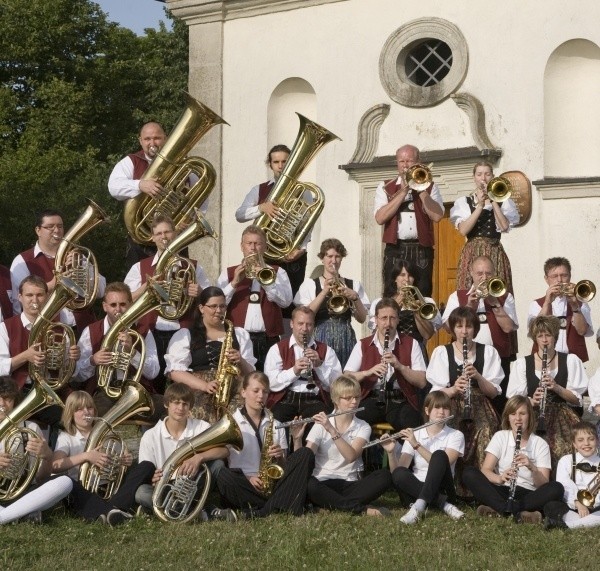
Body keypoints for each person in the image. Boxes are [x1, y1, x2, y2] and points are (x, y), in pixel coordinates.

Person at [124, 214, 210, 394]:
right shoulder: (140, 268)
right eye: (159, 233)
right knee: (151, 385)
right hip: (151, 332)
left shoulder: (193, 266)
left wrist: (200, 293)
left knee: (182, 388)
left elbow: (212, 300)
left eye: (167, 232)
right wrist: (146, 287)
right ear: (153, 238)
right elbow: (124, 299)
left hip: (183, 332)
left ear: (175, 233)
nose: (163, 236)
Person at [108, 121, 209, 266]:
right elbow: (113, 186)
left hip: (175, 239)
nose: (152, 143)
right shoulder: (131, 162)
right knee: (140, 283)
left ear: (165, 139)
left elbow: (202, 195)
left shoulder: (183, 164)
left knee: (178, 283)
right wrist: (140, 184)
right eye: (147, 139)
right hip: (141, 243)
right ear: (140, 141)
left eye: (157, 138)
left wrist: (188, 219)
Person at [217, 372, 315, 518]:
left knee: (305, 453)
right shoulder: (229, 423)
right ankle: (280, 505)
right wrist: (249, 478)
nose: (261, 396)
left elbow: (283, 467)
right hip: (245, 483)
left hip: (272, 483)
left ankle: (261, 511)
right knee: (223, 475)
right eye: (256, 391)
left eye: (265, 392)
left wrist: (285, 451)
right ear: (243, 392)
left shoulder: (276, 424)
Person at [427, 306, 502, 493]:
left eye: (468, 326)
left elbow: (493, 392)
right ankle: (451, 487)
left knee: (486, 429)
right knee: (450, 429)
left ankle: (483, 488)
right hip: (450, 404)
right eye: (459, 326)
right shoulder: (442, 352)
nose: (464, 331)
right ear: (453, 329)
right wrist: (453, 388)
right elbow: (435, 396)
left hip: (480, 403)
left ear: (475, 329)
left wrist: (478, 376)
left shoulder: (489, 352)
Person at [52, 391, 155, 526]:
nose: (86, 412)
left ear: (95, 411)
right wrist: (87, 456)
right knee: (70, 485)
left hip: (107, 487)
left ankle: (111, 509)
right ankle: (116, 510)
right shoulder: (66, 437)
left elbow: (121, 457)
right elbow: (55, 465)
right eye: (79, 409)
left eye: (89, 408)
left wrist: (124, 461)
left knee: (146, 466)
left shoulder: (106, 434)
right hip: (82, 491)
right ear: (70, 413)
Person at [135, 382, 234, 521]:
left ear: (190, 407)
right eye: (176, 403)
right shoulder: (150, 435)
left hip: (194, 483)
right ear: (166, 404)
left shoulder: (201, 427)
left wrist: (199, 457)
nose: (180, 408)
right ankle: (201, 511)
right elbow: (146, 471)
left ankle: (165, 510)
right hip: (165, 487)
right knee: (141, 493)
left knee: (217, 465)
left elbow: (224, 451)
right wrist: (152, 477)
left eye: (185, 404)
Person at [462, 396, 564, 523]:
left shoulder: (540, 443)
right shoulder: (500, 436)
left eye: (522, 413)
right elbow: (486, 470)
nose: (518, 419)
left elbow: (543, 484)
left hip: (528, 494)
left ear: (530, 416)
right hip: (502, 490)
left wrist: (532, 468)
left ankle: (502, 509)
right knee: (469, 473)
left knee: (557, 488)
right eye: (513, 414)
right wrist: (500, 478)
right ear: (508, 417)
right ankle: (515, 511)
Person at [300, 375, 392, 516]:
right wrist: (296, 439)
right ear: (336, 400)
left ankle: (328, 505)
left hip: (349, 482)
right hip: (323, 481)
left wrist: (332, 430)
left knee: (384, 477)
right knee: (309, 485)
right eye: (348, 398)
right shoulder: (320, 424)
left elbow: (351, 456)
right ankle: (361, 509)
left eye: (357, 397)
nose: (354, 402)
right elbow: (306, 458)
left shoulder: (363, 426)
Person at [73, 282, 163, 424]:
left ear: (130, 304)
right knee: (96, 416)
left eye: (123, 304)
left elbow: (153, 372)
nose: (118, 309)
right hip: (104, 394)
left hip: (137, 391)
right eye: (113, 305)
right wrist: (92, 361)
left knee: (168, 408)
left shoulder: (143, 331)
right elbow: (76, 375)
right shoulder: (91, 331)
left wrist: (132, 353)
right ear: (104, 306)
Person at [0, 275, 78, 432]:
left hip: (51, 389)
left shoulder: (60, 328)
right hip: (17, 391)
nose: (34, 299)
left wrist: (71, 360)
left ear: (47, 297)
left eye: (39, 295)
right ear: (20, 297)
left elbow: (73, 374)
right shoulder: (5, 327)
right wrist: (25, 356)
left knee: (71, 423)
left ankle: (59, 454)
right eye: (29, 295)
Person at [165, 286, 256, 421]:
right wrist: (204, 385)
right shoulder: (186, 335)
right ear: (202, 308)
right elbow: (174, 372)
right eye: (213, 306)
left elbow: (252, 374)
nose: (218, 311)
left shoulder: (240, 334)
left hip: (233, 390)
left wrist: (241, 360)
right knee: (197, 416)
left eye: (222, 306)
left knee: (243, 418)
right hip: (198, 390)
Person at [235, 144, 308, 310]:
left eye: (285, 161)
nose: (281, 166)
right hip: (264, 254)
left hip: (292, 254)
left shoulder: (303, 191)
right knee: (264, 302)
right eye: (276, 162)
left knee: (291, 305)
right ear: (270, 164)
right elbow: (240, 214)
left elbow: (307, 222)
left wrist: (301, 248)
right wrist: (262, 208)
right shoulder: (259, 189)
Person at [506, 315, 587, 463]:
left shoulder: (570, 360)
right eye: (540, 336)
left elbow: (577, 399)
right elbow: (513, 400)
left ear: (555, 337)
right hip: (533, 415)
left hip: (563, 415)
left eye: (548, 335)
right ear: (535, 339)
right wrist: (530, 400)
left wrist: (557, 387)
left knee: (566, 449)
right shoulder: (522, 364)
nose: (544, 340)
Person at [10, 209, 104, 332]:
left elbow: (101, 290)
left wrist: (82, 270)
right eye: (50, 227)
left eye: (60, 226)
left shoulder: (78, 256)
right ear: (38, 230)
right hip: (48, 330)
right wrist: (53, 285)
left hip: (84, 327)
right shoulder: (23, 261)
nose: (57, 230)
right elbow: (18, 302)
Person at [381, 391, 465, 524]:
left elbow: (445, 464)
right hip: (415, 490)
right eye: (437, 407)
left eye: (445, 408)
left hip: (442, 488)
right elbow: (397, 473)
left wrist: (416, 445)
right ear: (427, 410)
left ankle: (419, 506)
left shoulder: (456, 435)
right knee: (399, 473)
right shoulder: (415, 434)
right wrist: (391, 452)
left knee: (439, 455)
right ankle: (443, 505)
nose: (441, 412)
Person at [217, 225, 292, 371]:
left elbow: (286, 302)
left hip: (268, 338)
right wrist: (234, 283)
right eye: (249, 243)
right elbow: (217, 305)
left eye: (257, 244)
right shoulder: (229, 273)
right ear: (242, 246)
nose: (253, 248)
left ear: (264, 247)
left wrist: (267, 283)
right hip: (238, 338)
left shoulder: (278, 272)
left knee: (267, 381)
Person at [344, 298, 427, 431]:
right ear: (376, 320)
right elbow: (346, 377)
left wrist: (400, 366)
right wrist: (368, 372)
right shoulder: (363, 344)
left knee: (413, 426)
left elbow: (422, 381)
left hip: (399, 399)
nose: (388, 323)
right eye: (383, 318)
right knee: (353, 425)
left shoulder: (412, 343)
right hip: (372, 398)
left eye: (392, 318)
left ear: (398, 319)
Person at [442, 255, 518, 401]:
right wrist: (469, 306)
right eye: (479, 273)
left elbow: (508, 328)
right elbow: (447, 328)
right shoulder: (457, 296)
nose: (484, 277)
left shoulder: (505, 296)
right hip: (465, 358)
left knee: (498, 402)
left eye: (488, 273)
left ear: (494, 273)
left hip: (497, 358)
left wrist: (495, 303)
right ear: (471, 272)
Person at [0, 376, 73, 525]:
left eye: (7, 399)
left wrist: (47, 456)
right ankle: (21, 513)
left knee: (65, 483)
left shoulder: (31, 429)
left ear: (15, 401)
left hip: (22, 491)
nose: (2, 404)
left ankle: (7, 515)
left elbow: (41, 478)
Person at [373, 144, 444, 297]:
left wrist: (421, 189)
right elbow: (380, 218)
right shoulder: (385, 187)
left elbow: (437, 216)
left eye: (409, 161)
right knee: (393, 293)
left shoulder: (431, 187)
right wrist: (403, 190)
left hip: (421, 249)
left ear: (419, 162)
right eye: (401, 161)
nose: (405, 165)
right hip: (396, 248)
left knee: (422, 293)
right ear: (397, 163)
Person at [293, 238, 369, 367]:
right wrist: (324, 292)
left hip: (345, 336)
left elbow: (362, 319)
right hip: (320, 335)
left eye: (338, 256)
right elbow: (306, 314)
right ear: (322, 258)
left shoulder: (353, 284)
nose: (334, 261)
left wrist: (355, 298)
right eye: (330, 256)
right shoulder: (310, 284)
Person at [264, 306, 342, 423]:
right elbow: (271, 383)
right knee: (275, 422)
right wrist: (294, 371)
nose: (304, 329)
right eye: (300, 324)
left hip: (314, 399)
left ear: (313, 326)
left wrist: (319, 365)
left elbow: (337, 385)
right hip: (285, 399)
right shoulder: (277, 349)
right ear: (291, 324)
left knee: (320, 423)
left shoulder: (326, 350)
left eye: (309, 324)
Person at [450, 161, 519, 293]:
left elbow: (504, 227)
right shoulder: (465, 202)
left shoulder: (503, 201)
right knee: (468, 289)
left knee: (498, 290)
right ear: (474, 178)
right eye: (479, 174)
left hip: (495, 251)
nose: (483, 178)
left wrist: (493, 200)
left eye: (487, 174)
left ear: (492, 176)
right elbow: (463, 230)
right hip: (472, 252)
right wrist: (480, 206)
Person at [368, 260, 441, 356]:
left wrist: (416, 310)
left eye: (410, 275)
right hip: (391, 350)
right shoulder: (380, 303)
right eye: (402, 275)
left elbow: (428, 335)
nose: (406, 279)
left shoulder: (425, 302)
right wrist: (395, 306)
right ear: (395, 278)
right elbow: (376, 332)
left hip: (416, 352)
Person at [527, 257, 594, 362]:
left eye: (564, 275)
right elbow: (534, 332)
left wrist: (575, 306)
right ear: (546, 279)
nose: (559, 280)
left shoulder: (581, 303)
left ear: (570, 276)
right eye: (554, 276)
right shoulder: (537, 304)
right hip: (545, 359)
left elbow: (582, 331)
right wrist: (547, 303)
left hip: (574, 359)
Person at [544, 421, 600, 530]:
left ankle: (569, 526)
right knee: (551, 505)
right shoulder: (566, 460)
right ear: (574, 444)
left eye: (591, 439)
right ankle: (588, 522)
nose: (586, 443)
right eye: (580, 440)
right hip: (573, 506)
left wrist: (593, 504)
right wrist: (578, 503)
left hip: (596, 506)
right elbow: (564, 484)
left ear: (597, 441)